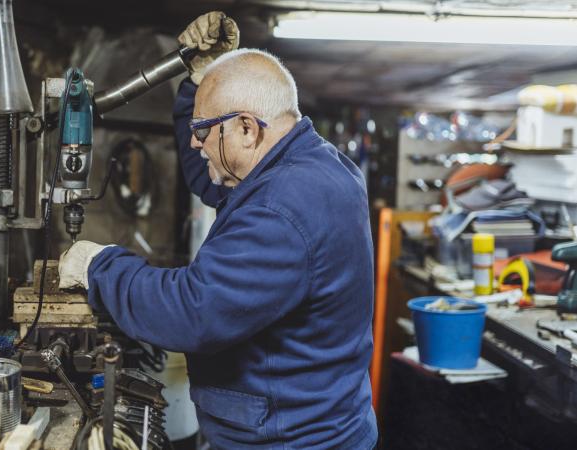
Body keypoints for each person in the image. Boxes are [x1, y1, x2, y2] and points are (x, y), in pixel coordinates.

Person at [59, 11, 377, 449]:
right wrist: (202, 78)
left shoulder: (281, 207)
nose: (193, 143)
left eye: (202, 129)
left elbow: (194, 311)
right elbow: (211, 174)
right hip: (307, 422)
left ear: (247, 127)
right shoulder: (312, 163)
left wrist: (100, 266)